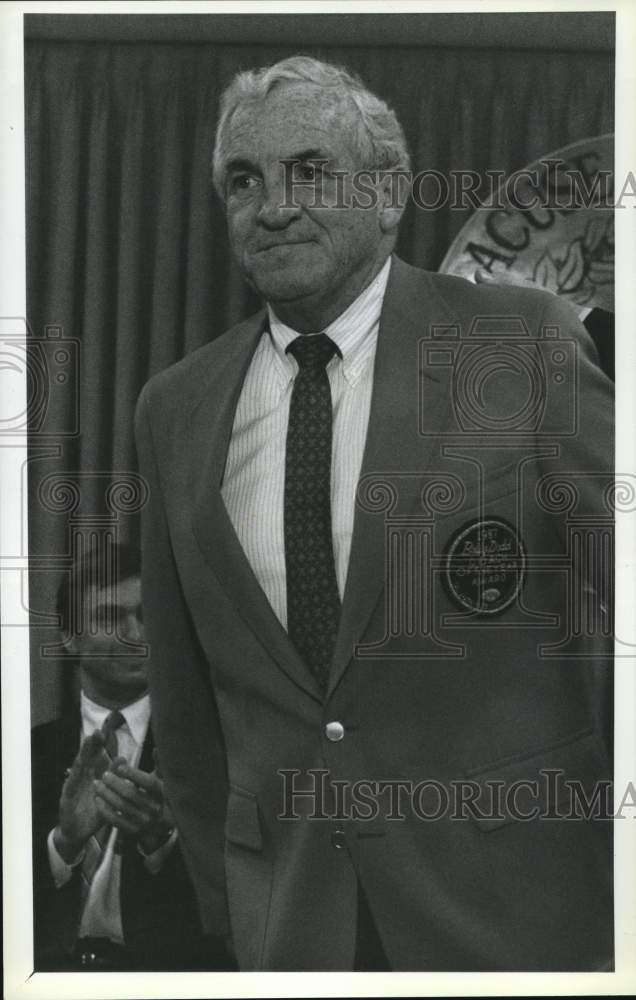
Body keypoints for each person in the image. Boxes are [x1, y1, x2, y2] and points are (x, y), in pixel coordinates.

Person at [135, 56, 614, 971]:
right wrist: (229, 911)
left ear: (390, 191)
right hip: (290, 927)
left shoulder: (525, 342)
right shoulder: (176, 406)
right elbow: (188, 708)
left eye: (309, 170)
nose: (273, 204)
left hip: (525, 915)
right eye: (244, 180)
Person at [31, 540, 235, 970]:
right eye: (109, 617)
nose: (137, 635)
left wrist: (161, 839)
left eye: (147, 617)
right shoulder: (30, 752)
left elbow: (242, 900)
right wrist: (64, 844)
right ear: (68, 636)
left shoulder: (212, 747)